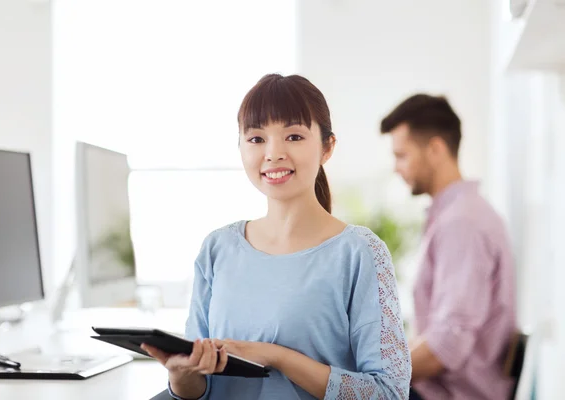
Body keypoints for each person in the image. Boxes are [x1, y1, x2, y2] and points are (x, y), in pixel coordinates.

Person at [141, 74, 411, 399]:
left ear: (327, 147)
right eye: (256, 139)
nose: (273, 153)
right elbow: (198, 386)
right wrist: (180, 376)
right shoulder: (217, 248)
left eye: (294, 136)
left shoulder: (360, 253)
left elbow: (389, 392)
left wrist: (276, 356)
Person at [380, 94, 517, 400]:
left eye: (401, 155)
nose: (396, 168)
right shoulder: (457, 215)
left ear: (436, 149)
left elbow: (447, 344)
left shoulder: (462, 223)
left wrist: (371, 380)